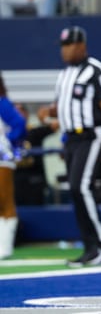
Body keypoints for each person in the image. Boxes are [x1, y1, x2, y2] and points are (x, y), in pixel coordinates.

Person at [37, 26, 101, 267]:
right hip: (71, 138)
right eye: (63, 46)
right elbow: (62, 107)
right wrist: (49, 113)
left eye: (70, 45)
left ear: (81, 45)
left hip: (90, 135)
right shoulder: (64, 75)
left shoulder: (95, 70)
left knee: (80, 187)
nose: (65, 50)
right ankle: (90, 245)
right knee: (75, 190)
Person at [0, 73, 27, 259]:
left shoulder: (2, 103)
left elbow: (19, 124)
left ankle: (6, 246)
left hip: (2, 158)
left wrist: (6, 142)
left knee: (4, 200)